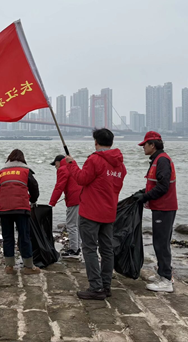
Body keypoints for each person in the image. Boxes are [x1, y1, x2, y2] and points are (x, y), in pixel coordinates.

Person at [65, 128, 126, 300]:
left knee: (90, 248)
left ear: (96, 142)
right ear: (111, 142)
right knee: (107, 250)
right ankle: (105, 286)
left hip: (91, 211)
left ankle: (96, 288)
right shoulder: (120, 165)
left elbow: (81, 179)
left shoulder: (94, 160)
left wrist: (71, 164)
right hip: (109, 212)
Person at [133, 131, 177, 293]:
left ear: (152, 145)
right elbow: (155, 184)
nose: (143, 147)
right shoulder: (157, 159)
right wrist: (142, 192)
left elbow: (163, 187)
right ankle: (162, 273)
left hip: (165, 208)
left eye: (144, 144)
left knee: (161, 243)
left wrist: (145, 197)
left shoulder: (162, 160)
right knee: (160, 241)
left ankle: (166, 280)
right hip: (160, 207)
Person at [0, 149, 41, 274]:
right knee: (24, 236)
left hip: (4, 208)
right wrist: (33, 200)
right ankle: (29, 266)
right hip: (21, 208)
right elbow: (34, 187)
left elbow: (2, 187)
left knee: (7, 237)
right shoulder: (26, 171)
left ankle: (9, 266)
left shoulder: (2, 172)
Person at [49, 154, 82, 258]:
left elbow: (59, 187)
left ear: (58, 162)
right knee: (77, 224)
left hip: (74, 199)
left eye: (55, 164)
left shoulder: (62, 169)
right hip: (82, 198)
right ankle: (77, 247)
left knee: (71, 225)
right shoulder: (72, 166)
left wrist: (52, 203)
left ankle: (74, 250)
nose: (55, 167)